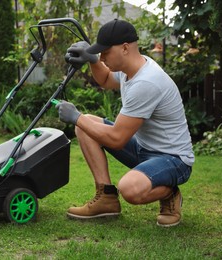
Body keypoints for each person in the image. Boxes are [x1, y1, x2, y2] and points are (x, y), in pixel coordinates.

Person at [55, 19, 194, 227]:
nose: (102, 57)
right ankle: (106, 198)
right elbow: (105, 80)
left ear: (125, 48)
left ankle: (170, 192)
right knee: (86, 126)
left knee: (129, 188)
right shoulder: (133, 68)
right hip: (143, 148)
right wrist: (93, 60)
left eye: (105, 52)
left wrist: (76, 116)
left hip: (173, 159)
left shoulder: (147, 82)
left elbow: (117, 139)